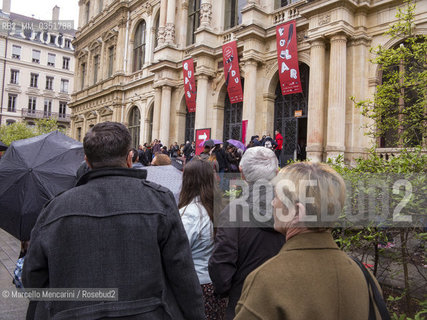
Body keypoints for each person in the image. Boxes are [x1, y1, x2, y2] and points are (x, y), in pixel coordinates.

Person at [22, 122, 205, 320]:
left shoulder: (55, 209)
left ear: (87, 161)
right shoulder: (159, 200)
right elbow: (183, 276)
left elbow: (32, 280)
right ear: (129, 158)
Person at [234, 162, 386, 320]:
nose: (273, 203)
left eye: (277, 197)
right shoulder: (363, 276)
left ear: (297, 212)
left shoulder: (266, 279)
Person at [209, 147, 285, 320]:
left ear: (242, 174)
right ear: (277, 172)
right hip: (285, 301)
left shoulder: (233, 212)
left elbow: (221, 264)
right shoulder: (291, 210)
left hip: (243, 303)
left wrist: (227, 290)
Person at [178, 159, 227, 319]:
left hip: (196, 285)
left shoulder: (189, 214)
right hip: (217, 284)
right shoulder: (220, 209)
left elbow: (178, 252)